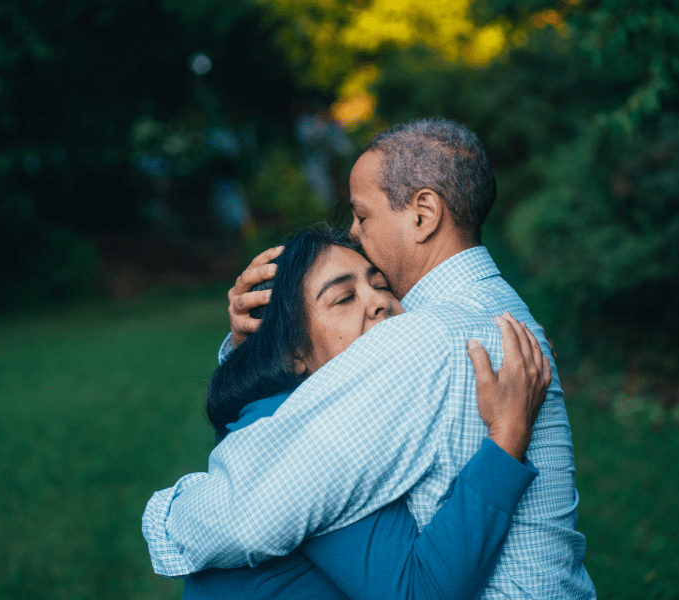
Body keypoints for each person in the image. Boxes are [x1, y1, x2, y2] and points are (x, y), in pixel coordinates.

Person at [143, 118, 595, 599]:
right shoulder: (501, 312)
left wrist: (167, 515)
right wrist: (254, 343)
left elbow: (245, 513)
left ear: (423, 214)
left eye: (362, 215)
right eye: (343, 297)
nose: (355, 234)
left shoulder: (422, 338)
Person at [182, 227, 550, 600]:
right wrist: (508, 436)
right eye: (344, 298)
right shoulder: (311, 438)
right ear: (293, 353)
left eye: (382, 285)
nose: (379, 302)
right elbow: (418, 591)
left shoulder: (311, 405)